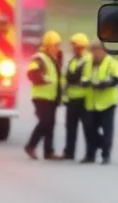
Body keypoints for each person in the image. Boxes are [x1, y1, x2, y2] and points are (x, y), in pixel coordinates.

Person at [24, 30, 63, 160]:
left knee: (50, 124)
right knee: (45, 122)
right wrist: (42, 80)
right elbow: (31, 72)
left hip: (51, 97)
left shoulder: (53, 58)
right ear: (49, 45)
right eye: (56, 45)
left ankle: (48, 151)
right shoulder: (40, 57)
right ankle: (31, 146)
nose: (58, 48)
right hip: (41, 96)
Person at [82, 41, 118, 165]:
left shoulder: (111, 62)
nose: (95, 53)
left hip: (107, 102)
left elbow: (116, 78)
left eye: (98, 50)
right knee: (89, 129)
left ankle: (106, 155)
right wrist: (85, 82)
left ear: (104, 50)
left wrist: (104, 84)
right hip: (92, 102)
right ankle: (90, 154)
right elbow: (83, 76)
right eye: (93, 51)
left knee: (107, 130)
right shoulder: (88, 63)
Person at [61, 32, 92, 161]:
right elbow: (67, 78)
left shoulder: (88, 60)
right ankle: (69, 152)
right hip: (72, 99)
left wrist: (73, 81)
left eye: (73, 45)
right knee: (70, 128)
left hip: (84, 100)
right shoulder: (73, 60)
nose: (72, 48)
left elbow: (85, 79)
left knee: (87, 129)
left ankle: (89, 155)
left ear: (80, 46)